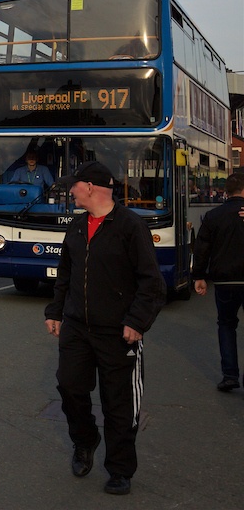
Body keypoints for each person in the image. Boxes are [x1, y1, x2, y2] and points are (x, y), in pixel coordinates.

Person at [44, 162, 165, 497]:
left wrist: (136, 322)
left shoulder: (129, 226)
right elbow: (64, 272)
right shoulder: (77, 226)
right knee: (69, 386)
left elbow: (151, 282)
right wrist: (55, 310)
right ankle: (85, 441)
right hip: (76, 327)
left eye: (73, 186)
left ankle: (120, 469)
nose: (70, 192)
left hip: (118, 331)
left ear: (90, 187)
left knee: (118, 403)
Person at [192, 171, 244, 392]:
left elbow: (202, 248)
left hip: (224, 281)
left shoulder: (213, 216)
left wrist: (199, 276)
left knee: (226, 325)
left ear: (226, 191)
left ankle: (230, 375)